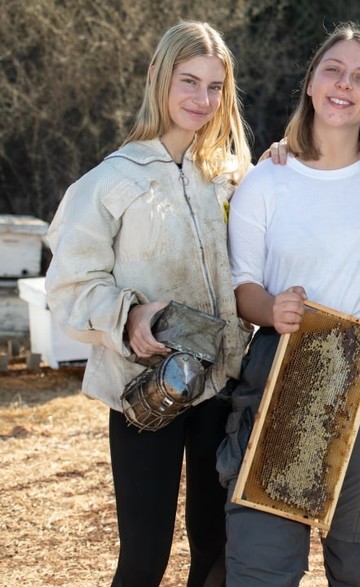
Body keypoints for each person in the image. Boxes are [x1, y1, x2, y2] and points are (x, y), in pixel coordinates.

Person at [44, 21, 252, 587]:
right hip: (144, 390)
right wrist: (128, 315)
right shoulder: (108, 182)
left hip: (222, 385)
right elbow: (67, 285)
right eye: (188, 81)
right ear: (158, 77)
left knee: (216, 548)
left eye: (214, 87)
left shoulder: (236, 179)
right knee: (144, 557)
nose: (201, 100)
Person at [215, 22, 360, 587]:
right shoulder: (267, 180)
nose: (343, 84)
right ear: (310, 83)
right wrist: (272, 310)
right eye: (332, 69)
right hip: (285, 360)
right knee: (262, 561)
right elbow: (243, 286)